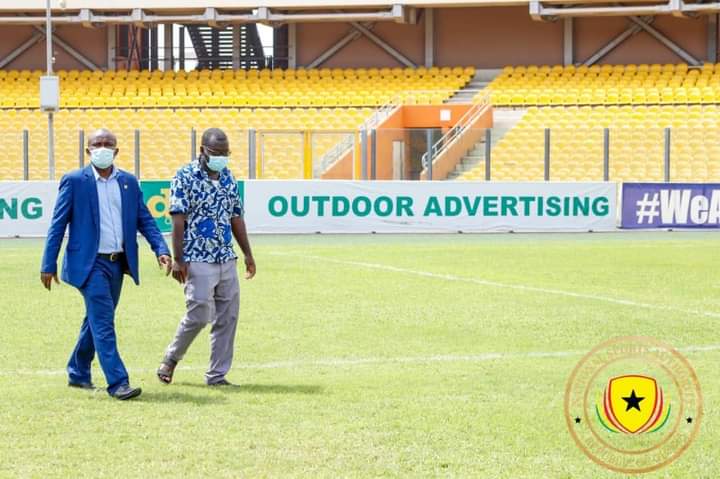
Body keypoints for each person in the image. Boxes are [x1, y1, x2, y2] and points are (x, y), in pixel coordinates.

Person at [40, 129, 172, 400]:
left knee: (96, 319)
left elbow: (144, 219)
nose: (102, 148)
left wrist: (160, 248)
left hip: (117, 264)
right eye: (97, 144)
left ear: (117, 150)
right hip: (88, 264)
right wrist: (48, 263)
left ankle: (77, 371)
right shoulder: (75, 181)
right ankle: (118, 382)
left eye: (108, 144)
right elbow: (58, 224)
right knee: (103, 322)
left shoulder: (128, 182)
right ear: (87, 151)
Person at [157, 128, 255, 386]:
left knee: (228, 317)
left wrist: (247, 254)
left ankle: (217, 375)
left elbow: (236, 216)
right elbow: (178, 220)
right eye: (215, 153)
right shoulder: (184, 176)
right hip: (196, 256)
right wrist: (179, 259)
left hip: (225, 256)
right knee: (199, 313)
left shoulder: (228, 178)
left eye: (225, 153)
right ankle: (172, 357)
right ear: (202, 150)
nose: (220, 158)